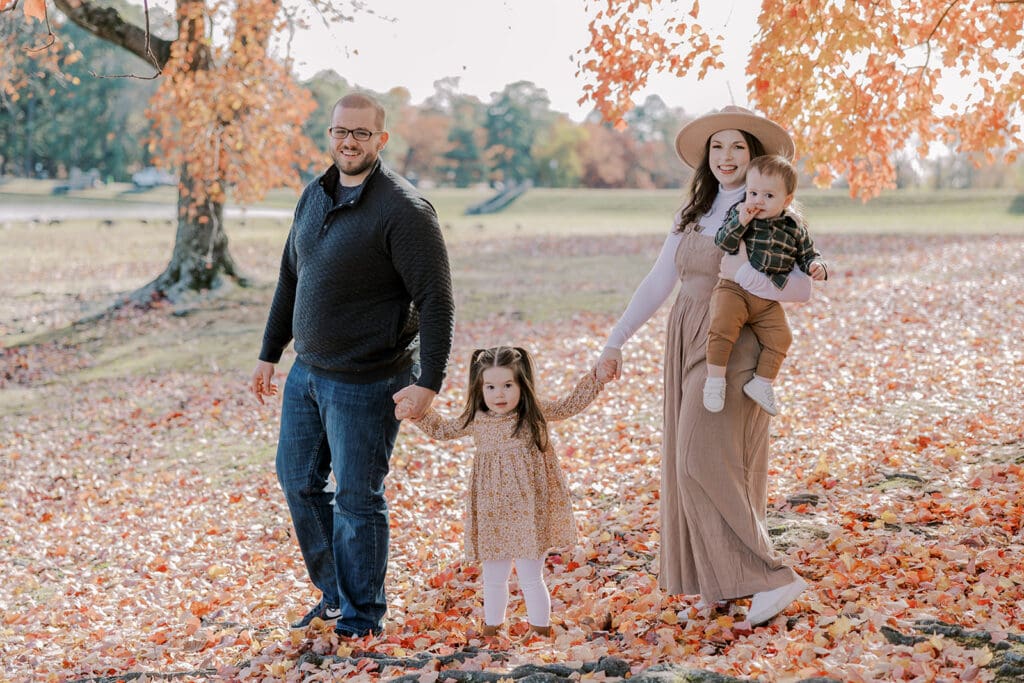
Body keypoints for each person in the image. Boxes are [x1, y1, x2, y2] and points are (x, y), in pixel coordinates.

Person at [250, 92, 455, 639]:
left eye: (361, 133)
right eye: (342, 130)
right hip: (307, 374)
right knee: (297, 482)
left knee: (357, 500)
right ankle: (337, 596)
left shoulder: (403, 210)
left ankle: (362, 619)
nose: (349, 141)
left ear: (381, 140)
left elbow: (436, 299)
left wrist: (429, 382)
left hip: (368, 381)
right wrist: (270, 353)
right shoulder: (313, 195)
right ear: (331, 133)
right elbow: (291, 277)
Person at [596, 105, 811, 626]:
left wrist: (743, 274)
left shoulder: (771, 209)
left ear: (755, 155)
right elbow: (657, 281)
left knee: (702, 457)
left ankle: (772, 577)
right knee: (697, 459)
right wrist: (614, 341)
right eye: (717, 147)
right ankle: (720, 578)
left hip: (735, 342)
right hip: (686, 333)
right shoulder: (694, 211)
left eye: (738, 146)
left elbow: (801, 289)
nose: (727, 157)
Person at [395, 346, 614, 638]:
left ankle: (539, 631)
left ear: (522, 385)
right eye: (491, 386)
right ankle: (492, 630)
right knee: (493, 577)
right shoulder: (477, 419)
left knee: (530, 577)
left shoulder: (531, 414)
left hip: (528, 512)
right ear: (480, 387)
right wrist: (418, 414)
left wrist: (596, 378)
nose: (500, 394)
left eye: (508, 385)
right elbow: (443, 429)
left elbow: (568, 405)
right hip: (492, 511)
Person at [703, 154, 828, 417]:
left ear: (787, 200)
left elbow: (807, 255)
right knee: (723, 325)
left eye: (768, 196)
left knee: (782, 337)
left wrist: (817, 266)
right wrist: (742, 222)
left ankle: (761, 383)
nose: (758, 200)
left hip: (767, 298)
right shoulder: (740, 214)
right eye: (753, 192)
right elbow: (723, 242)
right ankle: (715, 380)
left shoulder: (795, 228)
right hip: (733, 290)